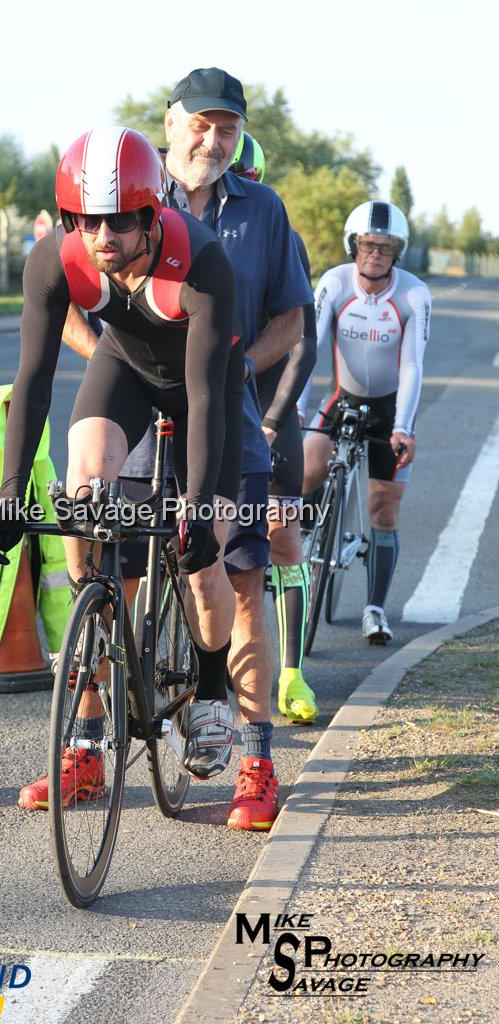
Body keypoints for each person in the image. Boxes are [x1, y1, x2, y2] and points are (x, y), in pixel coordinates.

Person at [0, 125, 246, 807]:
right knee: (81, 482)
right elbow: (33, 381)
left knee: (204, 554)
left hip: (203, 392)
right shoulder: (54, 259)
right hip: (125, 368)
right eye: (86, 220)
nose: (103, 235)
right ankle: (91, 630)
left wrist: (192, 514)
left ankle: (212, 689)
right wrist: (11, 493)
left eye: (120, 221)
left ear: (152, 212)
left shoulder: (202, 262)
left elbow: (205, 397)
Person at [114, 70, 314, 831]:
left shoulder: (262, 209)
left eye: (227, 127)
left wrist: (231, 366)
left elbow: (290, 322)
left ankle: (257, 764)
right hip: (134, 419)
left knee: (241, 578)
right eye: (200, 124)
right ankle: (89, 742)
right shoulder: (126, 196)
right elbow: (71, 297)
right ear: (169, 124)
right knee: (108, 570)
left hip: (226, 417)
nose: (213, 139)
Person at [299, 201, 432, 644]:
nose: (375, 253)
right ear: (353, 246)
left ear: (398, 252)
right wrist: (295, 406)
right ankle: (301, 542)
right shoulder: (335, 282)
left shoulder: (413, 294)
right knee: (304, 469)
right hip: (341, 398)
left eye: (385, 246)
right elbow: (310, 347)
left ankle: (374, 609)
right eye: (367, 244)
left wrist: (404, 427)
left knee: (383, 511)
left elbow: (413, 365)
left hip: (390, 411)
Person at [229, 132, 319, 726]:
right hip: (208, 392)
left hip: (266, 397)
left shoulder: (280, 232)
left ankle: (291, 672)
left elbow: (303, 344)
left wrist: (268, 420)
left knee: (281, 536)